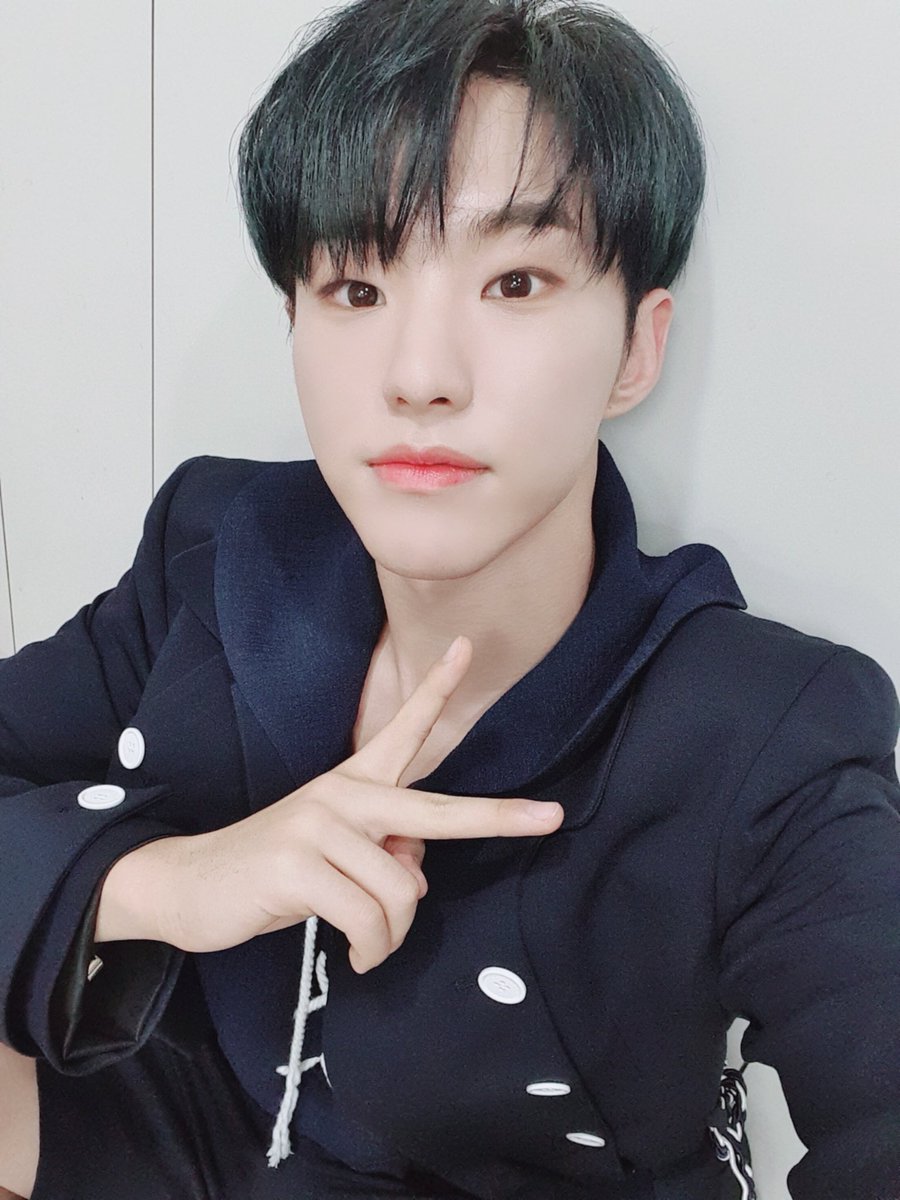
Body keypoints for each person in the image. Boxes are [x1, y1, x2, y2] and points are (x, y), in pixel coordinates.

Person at [1, 1, 898, 1197]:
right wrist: (169, 881)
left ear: (637, 349)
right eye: (355, 288)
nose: (419, 376)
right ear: (293, 323)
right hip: (214, 1148)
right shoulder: (220, 554)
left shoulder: (763, 731)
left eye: (515, 281)